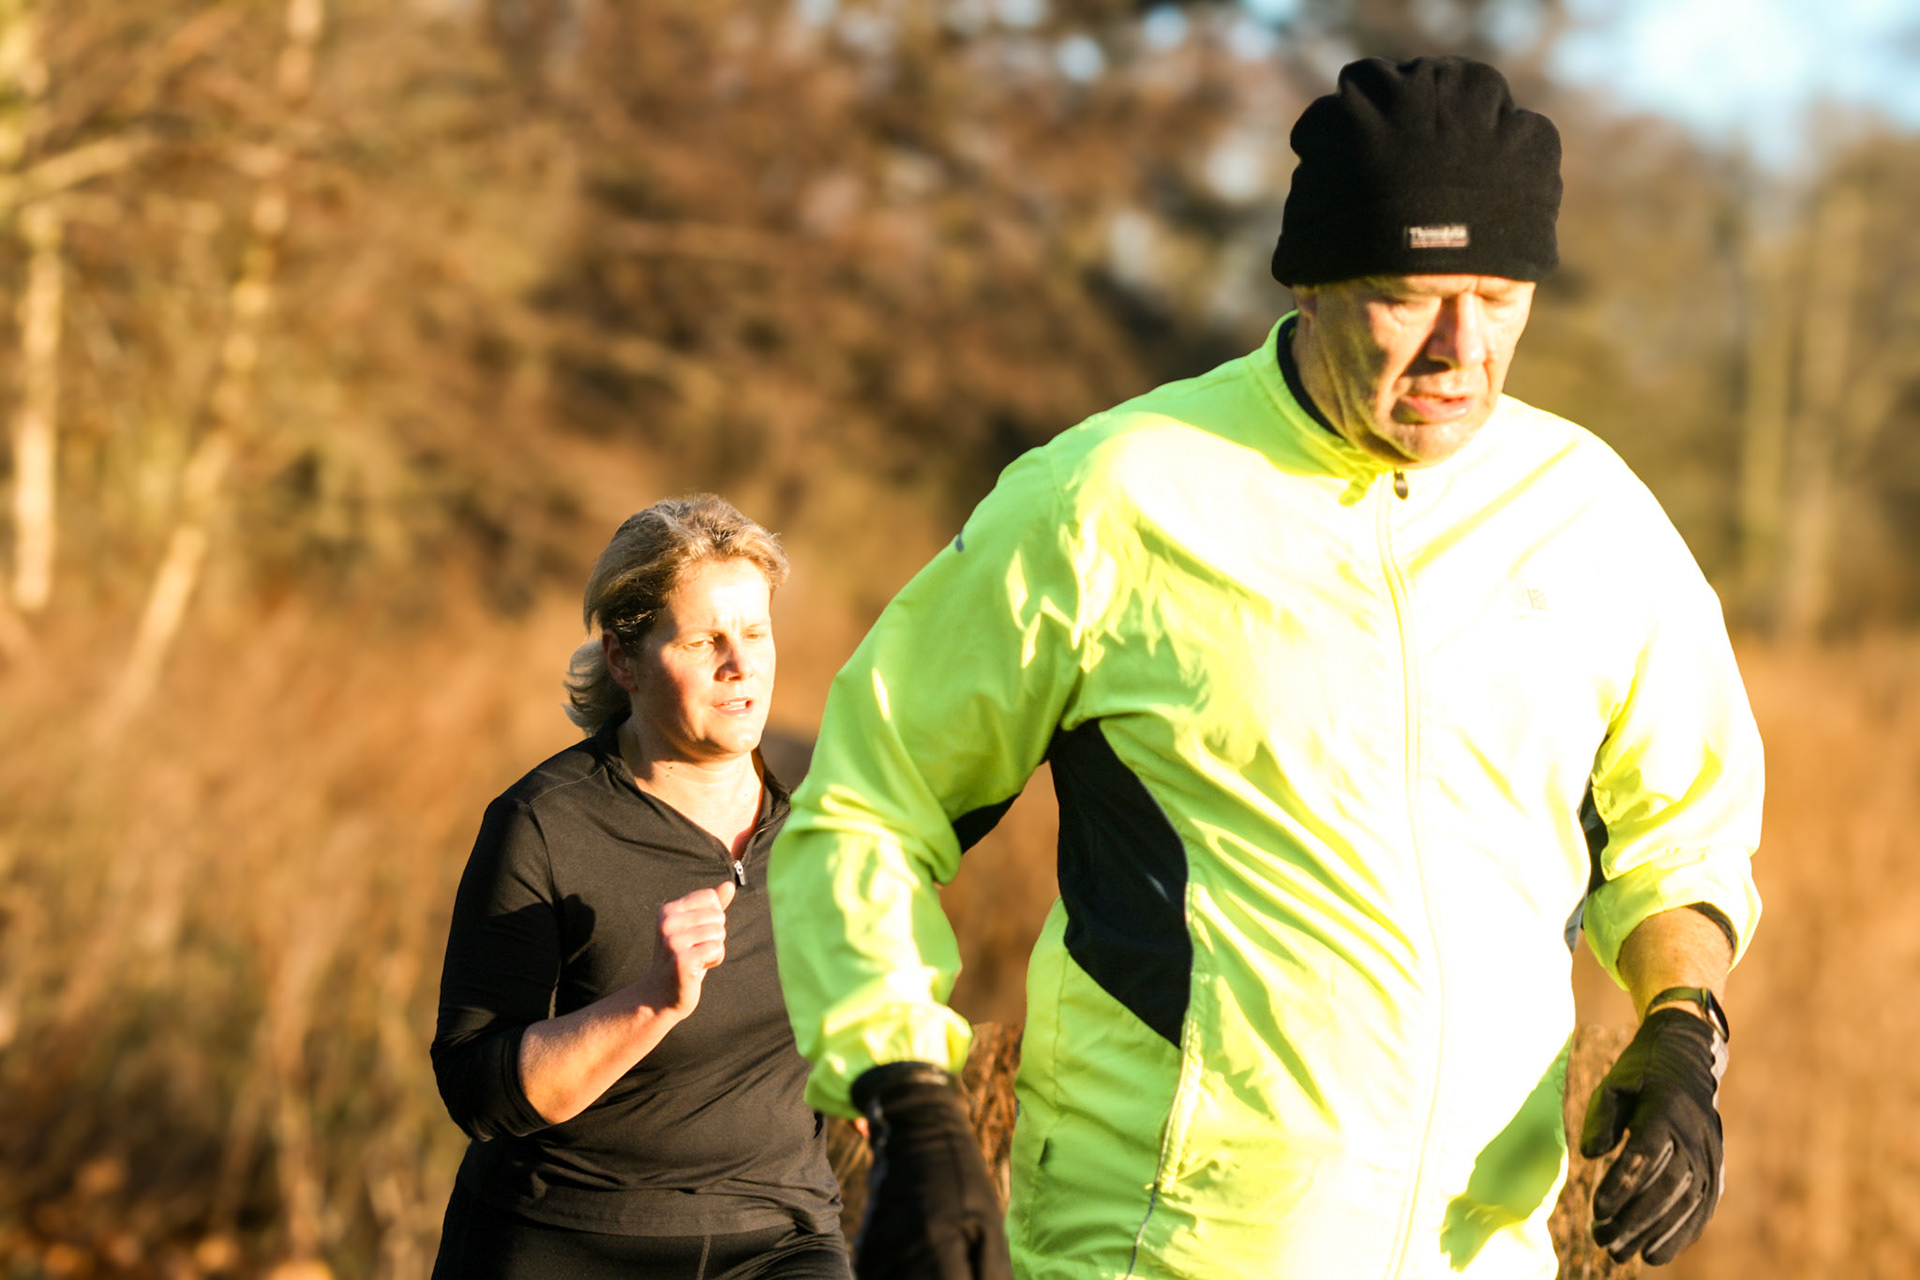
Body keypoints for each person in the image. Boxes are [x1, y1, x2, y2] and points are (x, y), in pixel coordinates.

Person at [767, 56, 1760, 1280]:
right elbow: (870, 804)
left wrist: (1683, 1025)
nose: (1461, 349)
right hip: (1158, 1249)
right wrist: (910, 1098)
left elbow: (1682, 833)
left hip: (1479, 1254)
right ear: (1313, 281)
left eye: (1500, 296)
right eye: (1409, 298)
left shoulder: (1593, 515)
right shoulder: (1114, 494)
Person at [430, 496, 849, 1280]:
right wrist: (651, 1002)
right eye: (703, 640)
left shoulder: (829, 807)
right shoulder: (544, 824)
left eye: (756, 632)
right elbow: (475, 1091)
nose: (740, 664)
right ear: (623, 660)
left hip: (777, 1236)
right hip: (565, 1237)